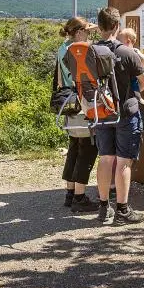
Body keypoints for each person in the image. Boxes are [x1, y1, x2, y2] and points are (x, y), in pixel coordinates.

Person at [93, 7, 144, 224]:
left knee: (105, 158)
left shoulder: (91, 51)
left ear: (99, 26)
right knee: (124, 161)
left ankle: (103, 207)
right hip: (125, 111)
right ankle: (123, 210)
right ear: (117, 26)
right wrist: (134, 96)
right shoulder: (126, 52)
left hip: (101, 111)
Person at [56, 16, 100, 212]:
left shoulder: (63, 47)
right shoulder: (77, 51)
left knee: (74, 146)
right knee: (87, 148)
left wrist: (88, 29)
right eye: (87, 31)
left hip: (68, 103)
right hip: (81, 102)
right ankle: (80, 198)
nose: (89, 35)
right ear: (79, 32)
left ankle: (70, 193)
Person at [116, 27, 144, 128]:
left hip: (135, 78)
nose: (118, 42)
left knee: (139, 98)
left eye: (120, 39)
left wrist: (138, 57)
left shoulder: (133, 51)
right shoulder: (124, 52)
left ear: (128, 40)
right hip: (132, 78)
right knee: (138, 98)